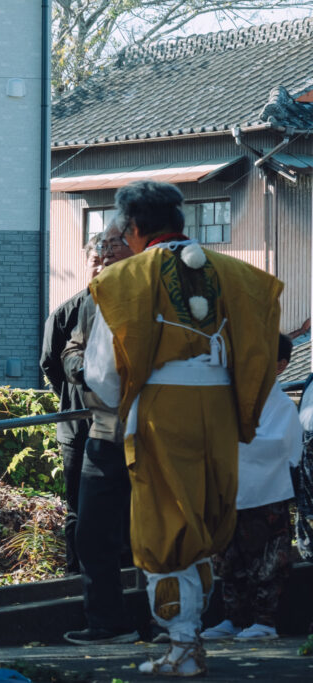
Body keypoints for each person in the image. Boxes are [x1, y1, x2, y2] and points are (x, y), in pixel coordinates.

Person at [84, 181, 282, 676]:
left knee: (164, 520)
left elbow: (102, 373)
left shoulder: (127, 276)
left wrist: (128, 404)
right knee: (204, 517)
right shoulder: (232, 273)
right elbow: (261, 345)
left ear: (132, 228)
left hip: (162, 407)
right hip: (218, 405)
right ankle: (190, 639)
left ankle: (182, 646)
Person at [60, 217, 137, 645]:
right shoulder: (95, 294)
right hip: (102, 429)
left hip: (149, 428)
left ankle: (171, 624)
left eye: (114, 243)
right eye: (103, 244)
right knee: (90, 531)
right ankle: (107, 623)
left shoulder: (149, 287)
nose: (105, 252)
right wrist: (84, 370)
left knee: (155, 531)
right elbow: (72, 346)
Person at [201, 334, 301, 642]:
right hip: (233, 490)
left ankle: (265, 622)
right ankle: (233, 618)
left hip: (266, 493)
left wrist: (231, 444)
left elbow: (280, 446)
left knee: (267, 561)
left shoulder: (282, 405)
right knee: (230, 560)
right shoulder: (233, 396)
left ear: (280, 366)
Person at [39, 234, 103, 575]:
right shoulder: (66, 312)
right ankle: (74, 573)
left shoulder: (130, 309)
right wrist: (73, 396)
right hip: (76, 423)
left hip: (118, 425)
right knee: (77, 504)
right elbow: (49, 363)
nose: (102, 269)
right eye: (96, 262)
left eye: (110, 263)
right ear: (87, 264)